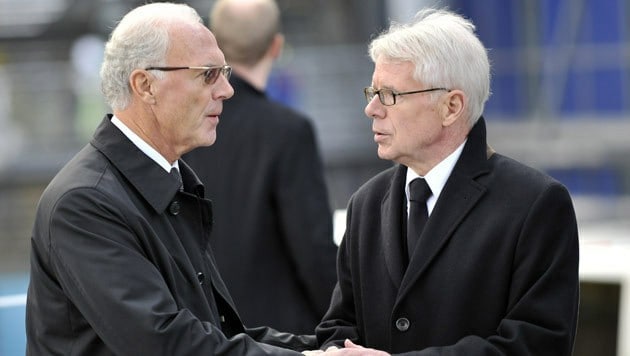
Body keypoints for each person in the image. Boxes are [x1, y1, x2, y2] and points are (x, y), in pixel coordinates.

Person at [25, 3, 316, 355]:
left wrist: (320, 350)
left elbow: (216, 331)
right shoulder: (84, 203)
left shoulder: (165, 181)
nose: (227, 89)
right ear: (145, 85)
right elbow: (166, 343)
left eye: (223, 72)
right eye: (209, 74)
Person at [311, 8, 580, 356]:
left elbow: (538, 344)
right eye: (371, 92)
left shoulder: (535, 204)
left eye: (390, 95)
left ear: (451, 106)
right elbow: (338, 326)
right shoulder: (366, 203)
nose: (372, 109)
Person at [183, 0, 338, 334]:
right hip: (282, 337)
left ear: (215, 44)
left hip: (202, 334)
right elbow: (313, 250)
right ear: (277, 46)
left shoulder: (183, 127)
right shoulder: (288, 131)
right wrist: (345, 324)